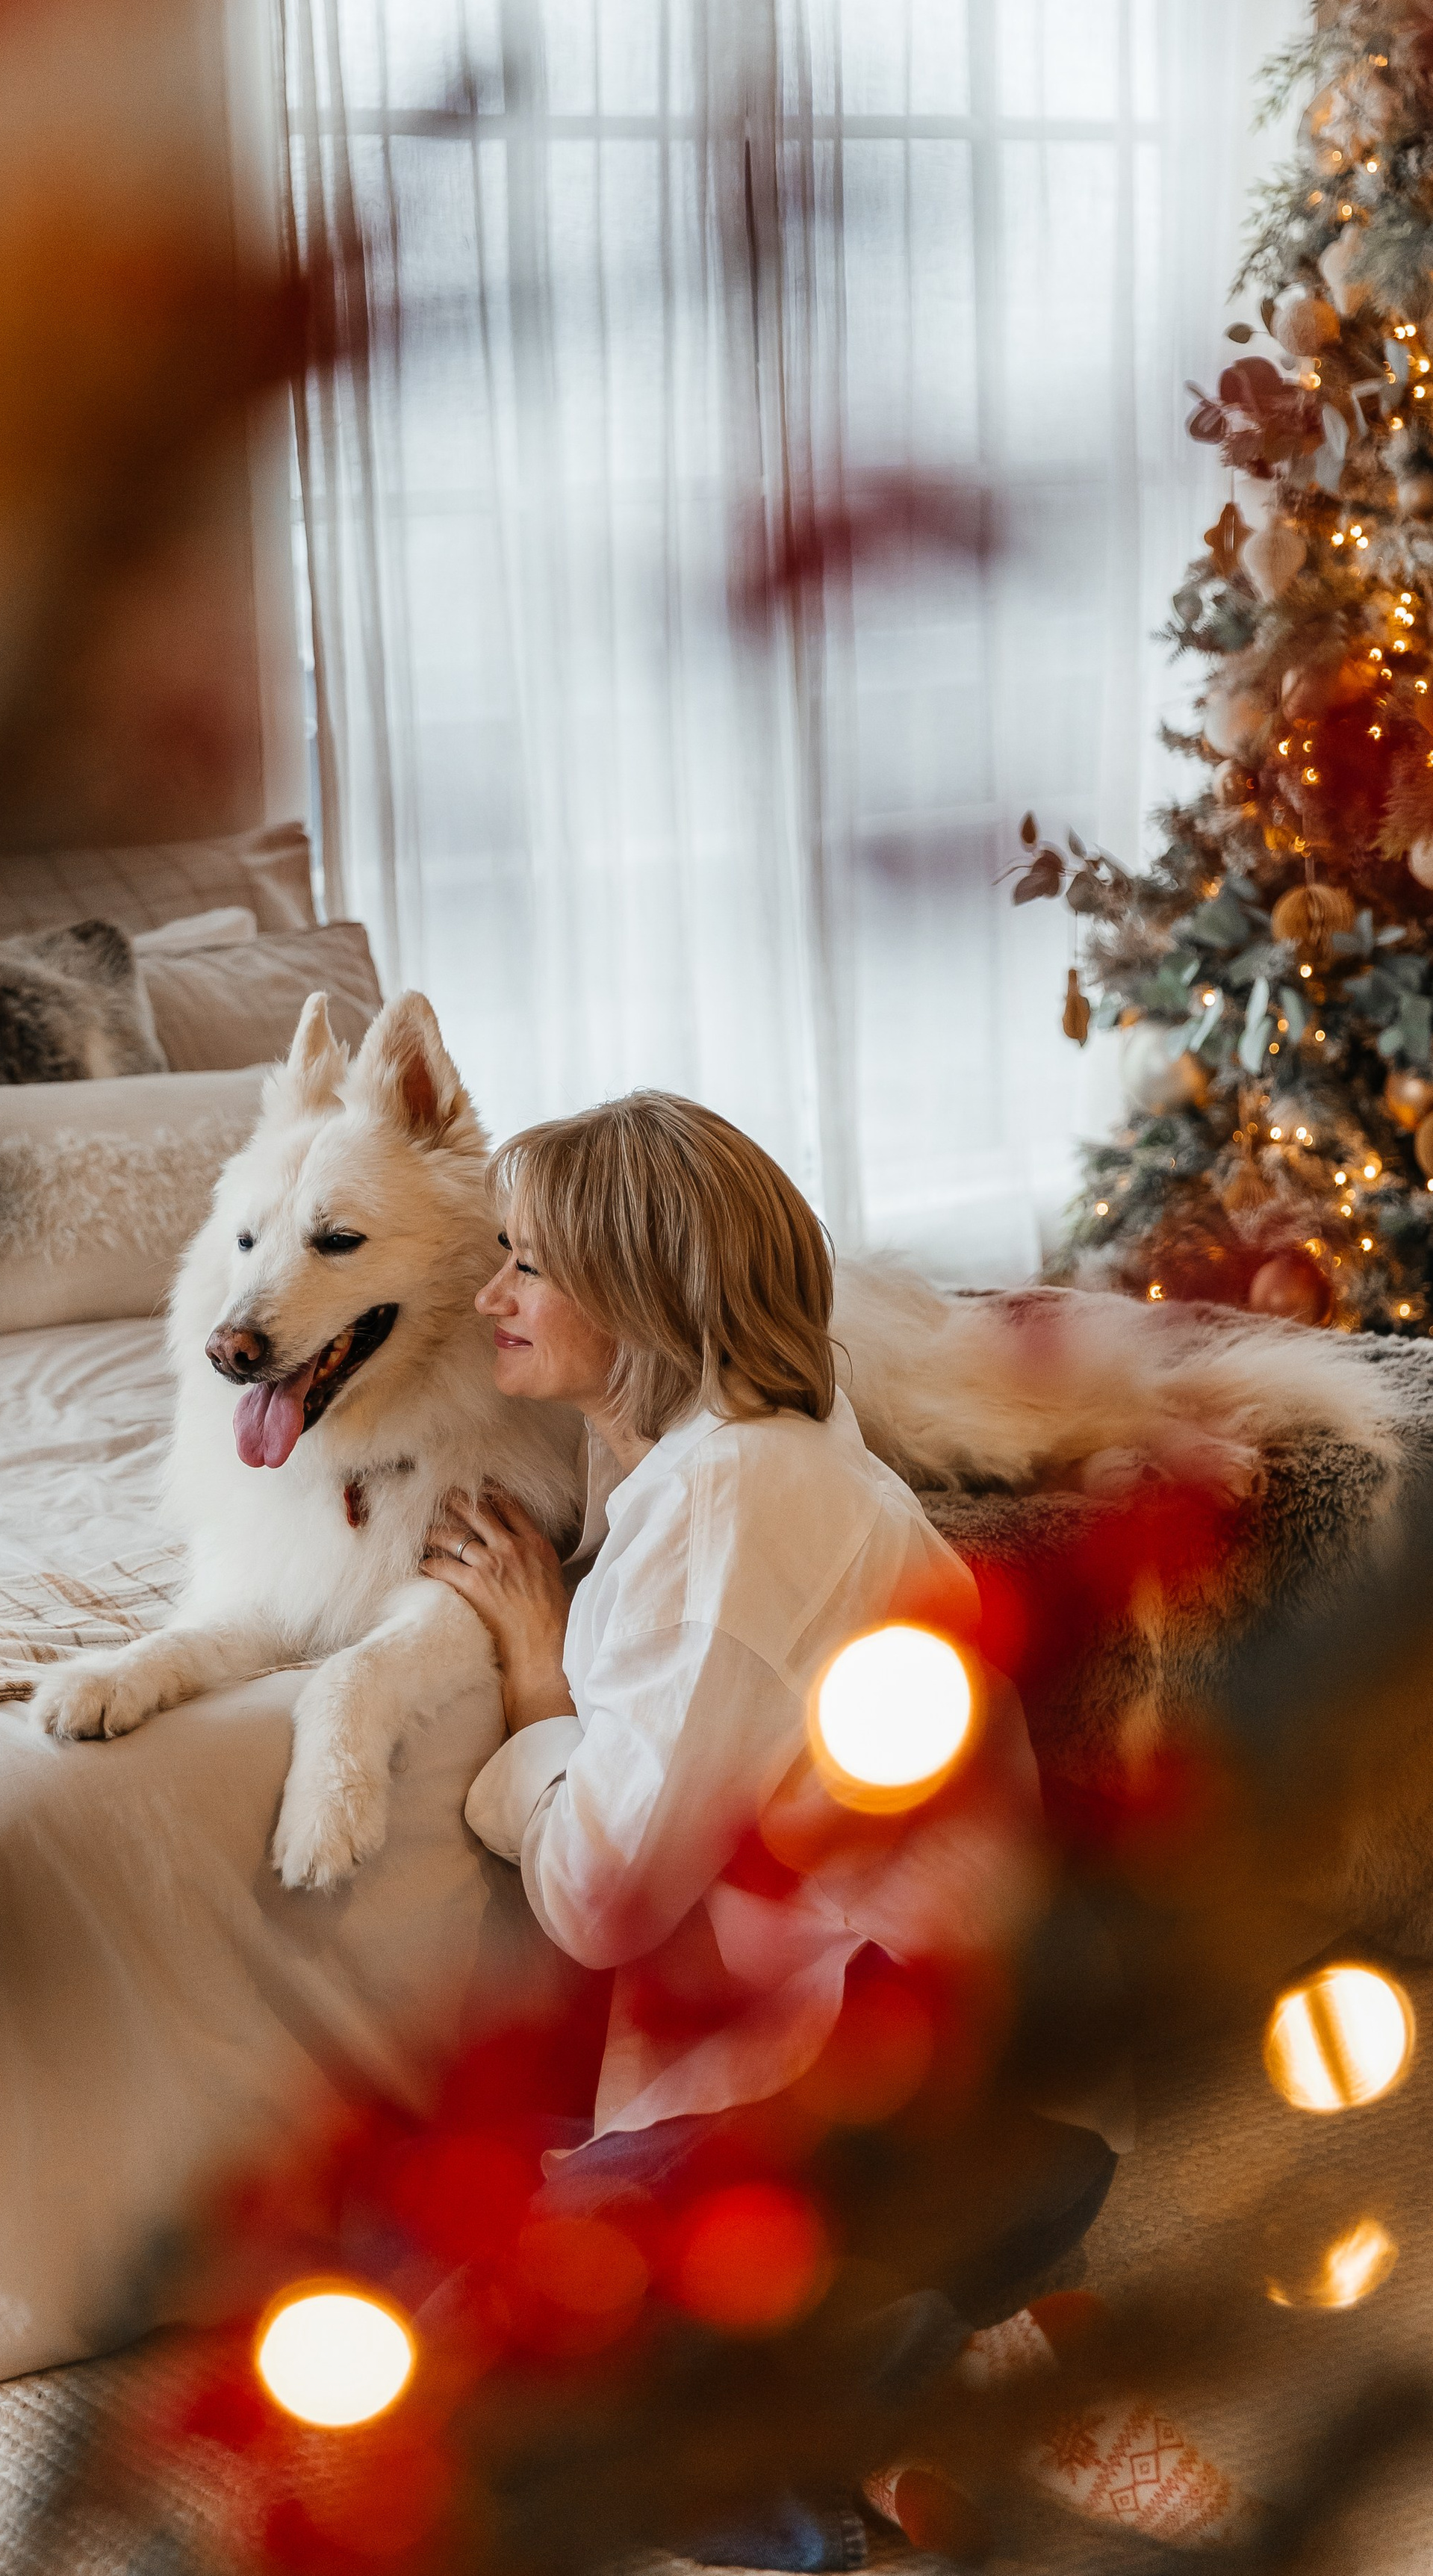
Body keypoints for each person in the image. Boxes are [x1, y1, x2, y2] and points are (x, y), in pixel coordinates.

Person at [420, 1092, 1119, 2571]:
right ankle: (908, 2365)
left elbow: (602, 1896)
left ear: (640, 1291)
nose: (489, 1293)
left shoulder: (736, 1499)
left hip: (850, 2048)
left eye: (526, 1264)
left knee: (465, 2369)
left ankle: (884, 2365)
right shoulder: (748, 1462)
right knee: (465, 2220)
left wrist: (537, 1690)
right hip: (879, 2022)